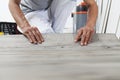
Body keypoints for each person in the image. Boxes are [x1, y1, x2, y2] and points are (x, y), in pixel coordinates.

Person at [9, 0, 98, 46]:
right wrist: (24, 26)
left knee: (53, 38)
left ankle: (55, 35)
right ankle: (51, 36)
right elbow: (13, 3)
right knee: (45, 36)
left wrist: (89, 26)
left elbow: (92, 4)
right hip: (31, 12)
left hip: (49, 10)